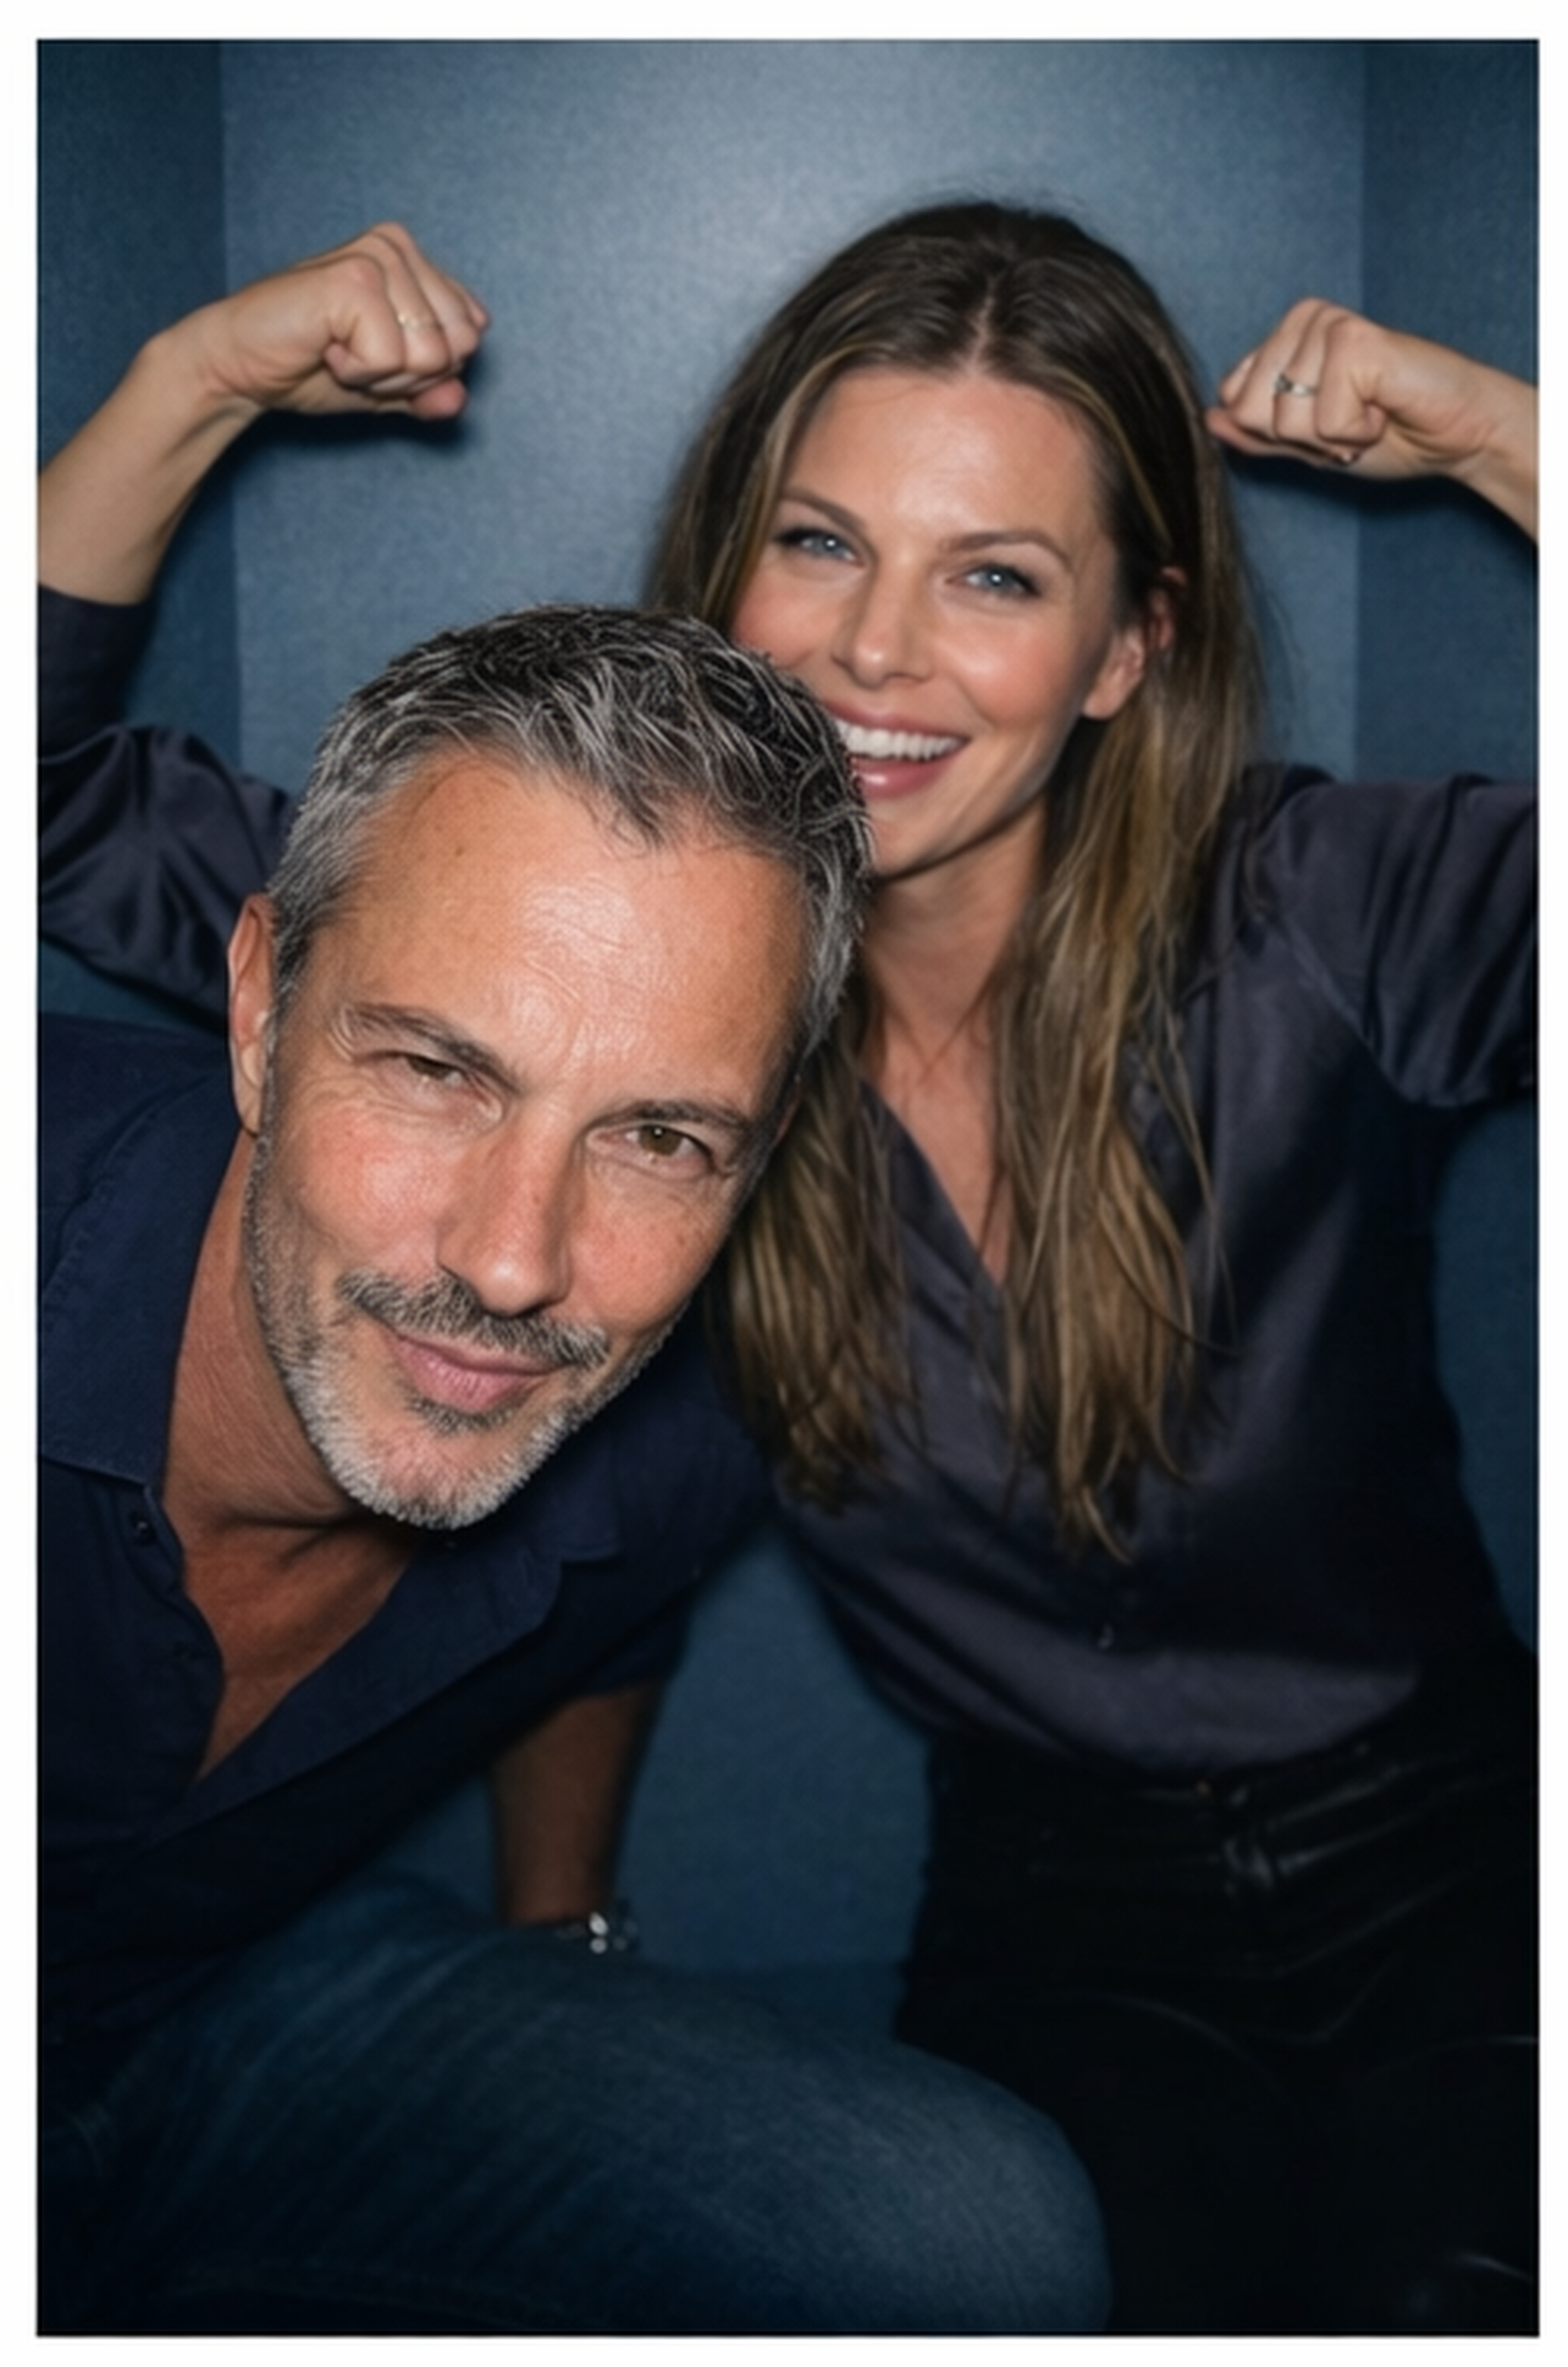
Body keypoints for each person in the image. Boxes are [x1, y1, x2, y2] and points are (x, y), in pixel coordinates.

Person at [39, 207, 1537, 2332]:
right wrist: (188, 378)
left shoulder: (1330, 911)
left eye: (996, 577)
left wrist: (1509, 440)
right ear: (727, 568)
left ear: (1128, 650)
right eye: (821, 545)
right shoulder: (581, 975)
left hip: (1471, 1851)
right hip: (1055, 1907)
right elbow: (46, 786)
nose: (877, 653)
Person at [38, 597, 1114, 2334]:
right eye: (440, 1070)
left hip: (237, 1991)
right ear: (259, 1006)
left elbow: (607, 1617)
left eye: (661, 1137)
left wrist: (562, 1936)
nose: (519, 1260)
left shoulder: (677, 1422)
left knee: (981, 2229)